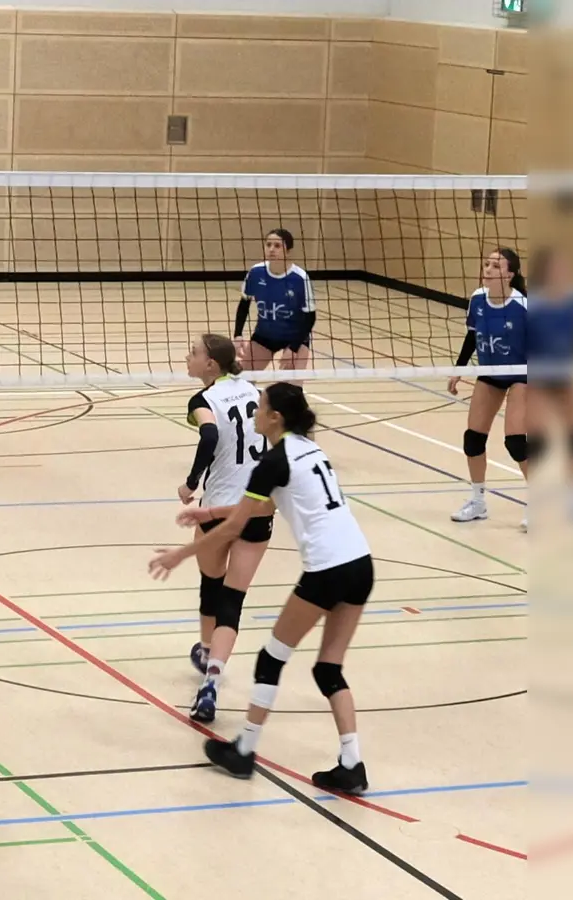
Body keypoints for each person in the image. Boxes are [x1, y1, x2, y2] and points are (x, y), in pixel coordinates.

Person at [151, 383, 374, 794]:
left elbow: (235, 528)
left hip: (327, 569)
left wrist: (180, 554)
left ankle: (244, 751)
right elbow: (266, 506)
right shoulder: (310, 448)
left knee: (271, 658)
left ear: (275, 418)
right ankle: (352, 763)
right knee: (329, 668)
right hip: (361, 564)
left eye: (262, 407)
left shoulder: (274, 459)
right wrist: (210, 510)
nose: (255, 412)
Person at [178, 335, 272, 724]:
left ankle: (204, 647)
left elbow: (211, 435)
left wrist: (190, 482)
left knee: (211, 583)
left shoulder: (203, 401)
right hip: (257, 509)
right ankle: (212, 675)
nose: (188, 356)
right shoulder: (256, 391)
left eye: (194, 353)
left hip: (219, 507)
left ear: (211, 366)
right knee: (233, 599)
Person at [447, 248, 529, 531]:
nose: (489, 269)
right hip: (490, 372)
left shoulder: (524, 305)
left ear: (510, 273)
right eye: (487, 264)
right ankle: (478, 501)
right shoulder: (478, 299)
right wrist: (459, 370)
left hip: (522, 374)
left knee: (516, 442)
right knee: (472, 439)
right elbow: (472, 337)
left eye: (496, 265)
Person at [525, 244, 573, 522]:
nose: (563, 271)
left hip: (564, 375)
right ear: (546, 271)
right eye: (558, 266)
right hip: (539, 377)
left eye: (565, 266)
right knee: (538, 443)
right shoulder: (535, 306)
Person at [234, 229, 315, 375]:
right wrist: (238, 335)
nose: (271, 249)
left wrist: (294, 348)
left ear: (288, 251)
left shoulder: (300, 278)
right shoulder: (256, 272)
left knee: (292, 387)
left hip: (295, 338)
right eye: (268, 244)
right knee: (244, 379)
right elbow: (244, 305)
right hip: (264, 336)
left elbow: (310, 318)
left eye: (277, 246)